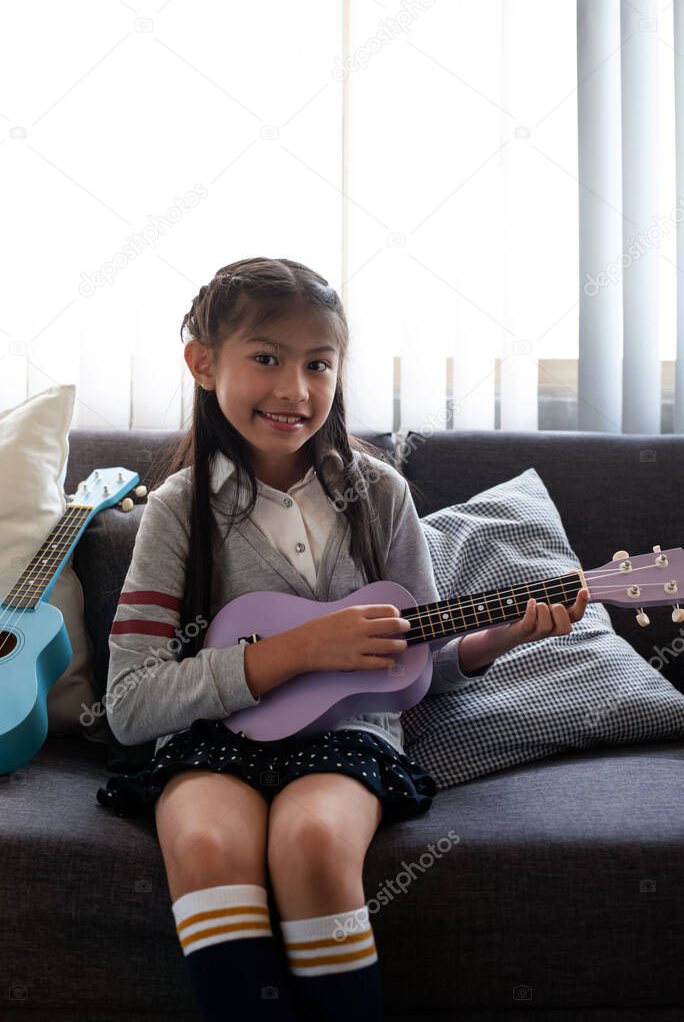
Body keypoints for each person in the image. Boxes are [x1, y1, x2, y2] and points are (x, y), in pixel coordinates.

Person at [96, 257, 588, 1022]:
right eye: (266, 358)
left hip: (347, 736)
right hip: (209, 737)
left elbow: (414, 666)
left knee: (316, 842)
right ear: (202, 363)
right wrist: (293, 652)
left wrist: (492, 641)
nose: (295, 389)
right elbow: (128, 705)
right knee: (205, 845)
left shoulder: (379, 492)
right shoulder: (175, 511)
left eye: (317, 364)